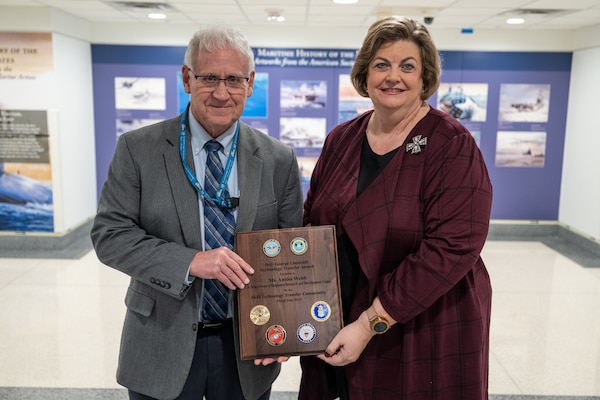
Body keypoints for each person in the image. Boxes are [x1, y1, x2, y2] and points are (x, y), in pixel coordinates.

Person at [91, 25, 303, 400]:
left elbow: (289, 251)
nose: (222, 93)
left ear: (250, 83)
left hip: (246, 348)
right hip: (161, 341)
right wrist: (191, 262)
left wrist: (287, 325)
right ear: (187, 79)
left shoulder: (278, 159)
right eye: (208, 78)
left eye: (233, 79)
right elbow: (110, 236)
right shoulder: (138, 149)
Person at [300, 16, 493, 400]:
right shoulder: (341, 140)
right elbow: (311, 226)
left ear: (424, 79)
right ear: (365, 75)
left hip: (423, 321)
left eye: (408, 66)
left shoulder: (451, 143)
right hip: (340, 318)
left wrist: (369, 323)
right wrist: (293, 314)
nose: (394, 76)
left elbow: (451, 247)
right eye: (381, 64)